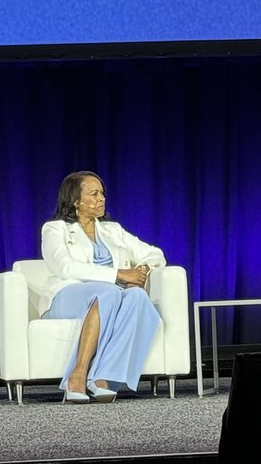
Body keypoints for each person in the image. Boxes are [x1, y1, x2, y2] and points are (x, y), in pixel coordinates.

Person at [39, 170, 167, 404]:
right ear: (75, 200)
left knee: (137, 297)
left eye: (102, 193)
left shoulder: (112, 230)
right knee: (109, 290)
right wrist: (117, 274)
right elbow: (65, 267)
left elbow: (154, 254)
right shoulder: (55, 229)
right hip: (67, 296)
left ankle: (102, 376)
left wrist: (143, 271)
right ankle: (78, 373)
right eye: (94, 193)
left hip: (111, 295)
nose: (101, 198)